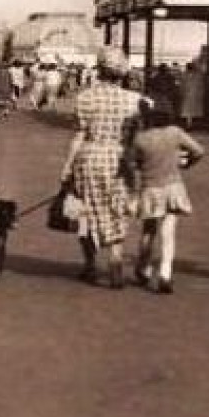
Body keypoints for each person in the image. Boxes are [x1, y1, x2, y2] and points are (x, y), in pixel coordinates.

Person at [60, 47, 142, 288]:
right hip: (120, 159)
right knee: (117, 209)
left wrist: (67, 167)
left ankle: (90, 265)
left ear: (99, 70)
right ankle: (116, 261)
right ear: (122, 73)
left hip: (90, 158)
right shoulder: (134, 101)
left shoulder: (85, 98)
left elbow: (79, 135)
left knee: (88, 212)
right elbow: (137, 135)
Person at [129, 107, 206, 294]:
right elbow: (199, 151)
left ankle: (144, 267)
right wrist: (187, 163)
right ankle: (165, 272)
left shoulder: (141, 139)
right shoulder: (175, 133)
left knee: (148, 230)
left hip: (150, 187)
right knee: (168, 232)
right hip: (173, 186)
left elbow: (131, 163)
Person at [179, 60, 206, 130]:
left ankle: (190, 124)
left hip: (191, 95)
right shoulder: (197, 75)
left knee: (190, 111)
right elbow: (183, 85)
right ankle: (190, 124)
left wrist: (182, 92)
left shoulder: (187, 75)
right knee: (190, 111)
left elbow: (182, 85)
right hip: (191, 95)